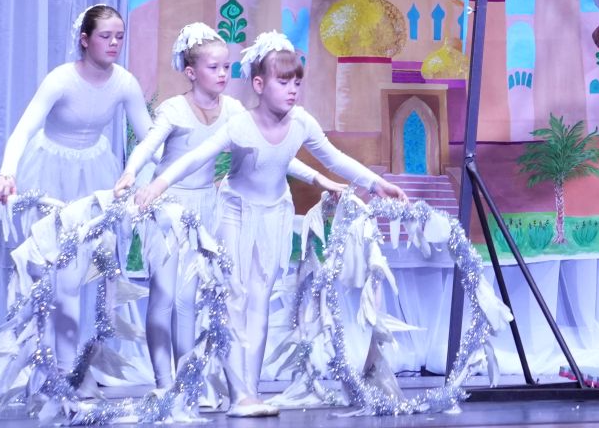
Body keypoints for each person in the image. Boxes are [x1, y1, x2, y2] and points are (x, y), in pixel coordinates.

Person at [138, 34, 406, 417]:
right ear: (259, 84)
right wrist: (157, 185)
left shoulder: (301, 123)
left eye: (297, 81)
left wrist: (376, 184)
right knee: (234, 300)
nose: (293, 89)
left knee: (260, 301)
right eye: (283, 82)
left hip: (274, 214)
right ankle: (237, 393)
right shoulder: (240, 125)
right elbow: (195, 157)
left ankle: (251, 389)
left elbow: (334, 157)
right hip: (235, 213)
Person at [114, 23, 332, 394]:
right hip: (168, 205)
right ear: (190, 72)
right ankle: (163, 382)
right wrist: (132, 172)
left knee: (189, 298)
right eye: (213, 67)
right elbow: (148, 146)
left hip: (207, 207)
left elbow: (273, 152)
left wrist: (316, 177)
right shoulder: (174, 110)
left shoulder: (233, 110)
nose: (222, 74)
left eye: (226, 67)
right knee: (163, 295)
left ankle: (187, 386)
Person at [0, 3, 153, 377]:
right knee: (49, 269)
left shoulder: (124, 82)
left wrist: (161, 177)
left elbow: (149, 139)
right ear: (85, 40)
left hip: (95, 172)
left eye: (119, 37)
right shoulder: (61, 79)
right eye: (105, 36)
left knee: (88, 271)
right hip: (50, 169)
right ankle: (41, 364)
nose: (114, 43)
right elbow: (23, 130)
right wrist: (6, 173)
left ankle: (77, 365)